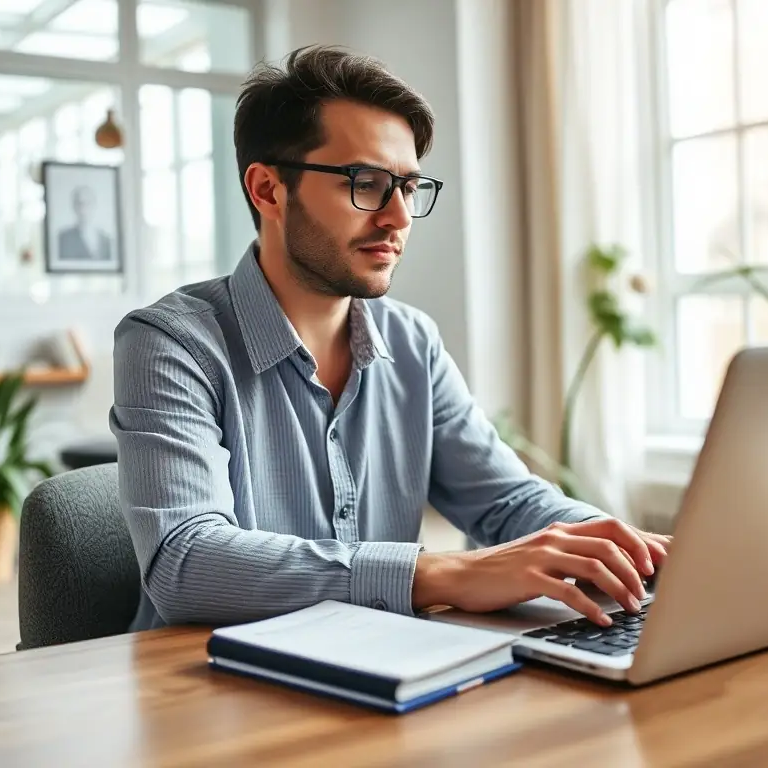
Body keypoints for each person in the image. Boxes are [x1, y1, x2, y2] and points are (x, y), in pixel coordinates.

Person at [110, 45, 671, 633]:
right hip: (214, 693)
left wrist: (634, 551)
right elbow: (186, 563)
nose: (399, 216)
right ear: (269, 190)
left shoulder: (412, 342)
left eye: (409, 186)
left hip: (387, 673)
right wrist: (439, 574)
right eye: (367, 183)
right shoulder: (170, 343)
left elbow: (506, 503)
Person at [57, 185, 113, 263]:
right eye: (80, 204)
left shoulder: (107, 240)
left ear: (95, 205)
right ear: (74, 207)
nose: (83, 209)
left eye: (88, 203)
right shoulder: (64, 239)